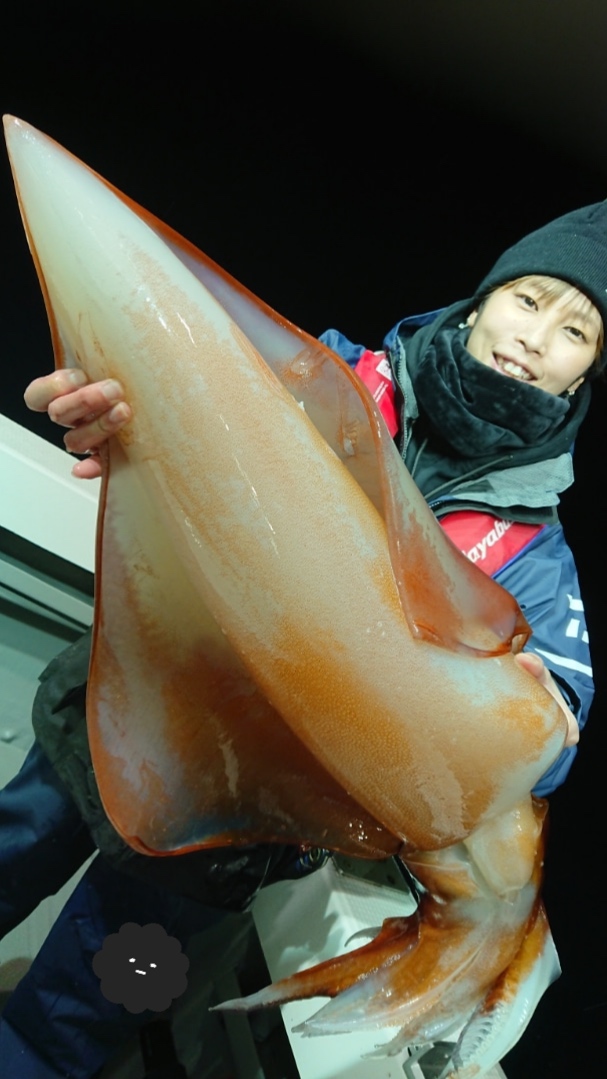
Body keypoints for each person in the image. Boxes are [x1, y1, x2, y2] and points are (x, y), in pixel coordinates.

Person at [0, 202, 601, 1076]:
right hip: (105, 720)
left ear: (585, 371)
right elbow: (154, 421)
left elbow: (549, 745)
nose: (538, 336)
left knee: (90, 1011)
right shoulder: (319, 375)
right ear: (482, 302)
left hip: (234, 842)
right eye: (529, 299)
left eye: (576, 328)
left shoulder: (537, 560)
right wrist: (104, 414)